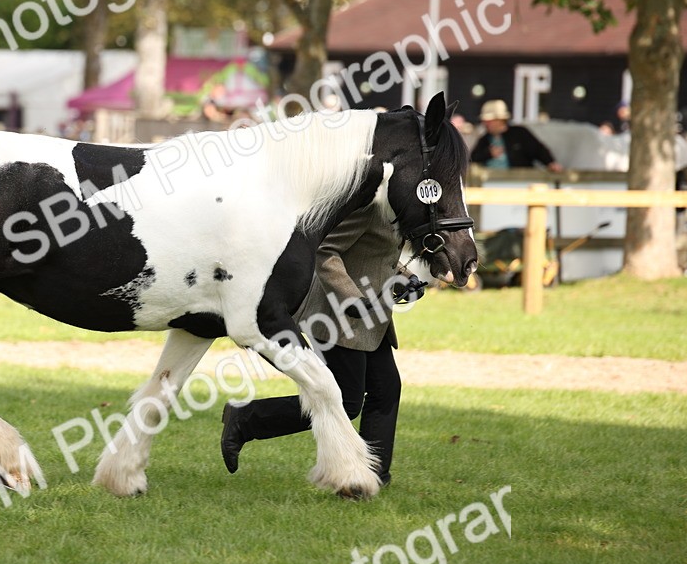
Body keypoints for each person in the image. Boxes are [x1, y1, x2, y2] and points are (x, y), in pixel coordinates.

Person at [219, 200, 420, 488]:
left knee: (386, 388)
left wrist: (407, 278)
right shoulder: (368, 208)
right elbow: (326, 252)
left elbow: (379, 254)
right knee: (348, 402)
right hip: (336, 316)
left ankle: (374, 477)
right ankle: (246, 419)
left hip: (372, 320)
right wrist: (352, 299)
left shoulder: (398, 208)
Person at [470, 99, 563, 172]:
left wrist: (550, 163)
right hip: (492, 182)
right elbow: (472, 159)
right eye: (485, 121)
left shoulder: (520, 133)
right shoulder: (484, 139)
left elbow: (538, 150)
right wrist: (488, 154)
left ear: (500, 120)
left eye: (490, 121)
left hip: (518, 181)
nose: (486, 124)